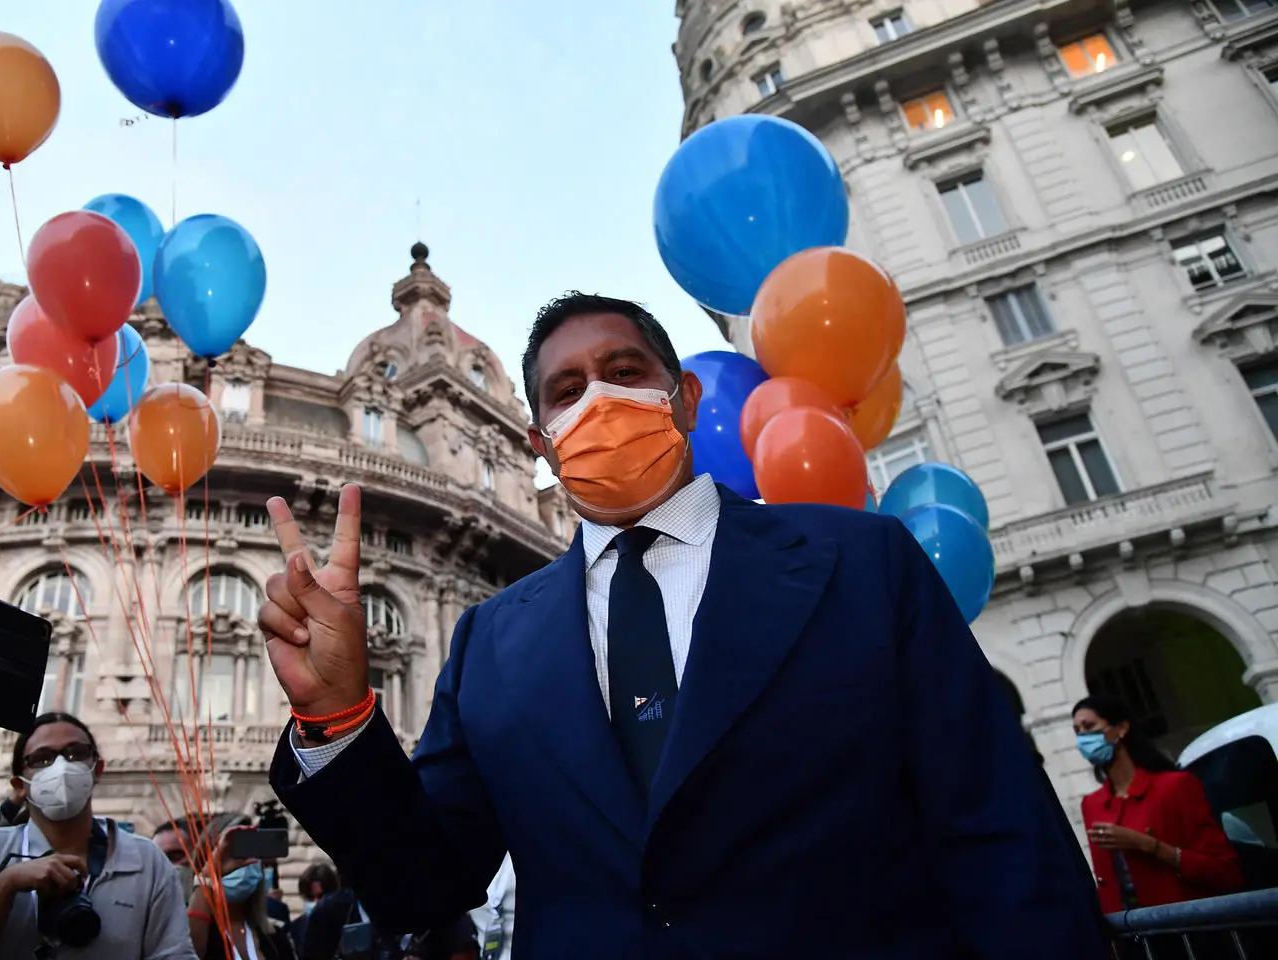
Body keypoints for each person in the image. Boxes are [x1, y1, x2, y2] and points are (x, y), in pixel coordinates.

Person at [258, 294, 1110, 958]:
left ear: (685, 395)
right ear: (541, 443)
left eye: (624, 371)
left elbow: (1001, 839)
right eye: (567, 390)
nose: (598, 399)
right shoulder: (491, 644)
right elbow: (422, 882)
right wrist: (336, 717)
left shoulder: (862, 563)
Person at [0, 712, 195, 960]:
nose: (62, 766)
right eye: (42, 759)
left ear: (97, 769)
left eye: (76, 754)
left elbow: (173, 953)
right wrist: (4, 886)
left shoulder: (146, 860)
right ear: (20, 785)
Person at [1073, 694, 1244, 912]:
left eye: (1089, 726)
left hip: (1190, 928)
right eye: (1077, 731)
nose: (1082, 739)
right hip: (1134, 938)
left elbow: (1225, 871)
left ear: (1121, 728)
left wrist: (1150, 846)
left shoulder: (1175, 787)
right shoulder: (1093, 804)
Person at [187, 812, 295, 960]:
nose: (241, 864)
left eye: (250, 851)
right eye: (232, 852)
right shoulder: (195, 933)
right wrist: (207, 880)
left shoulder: (274, 938)